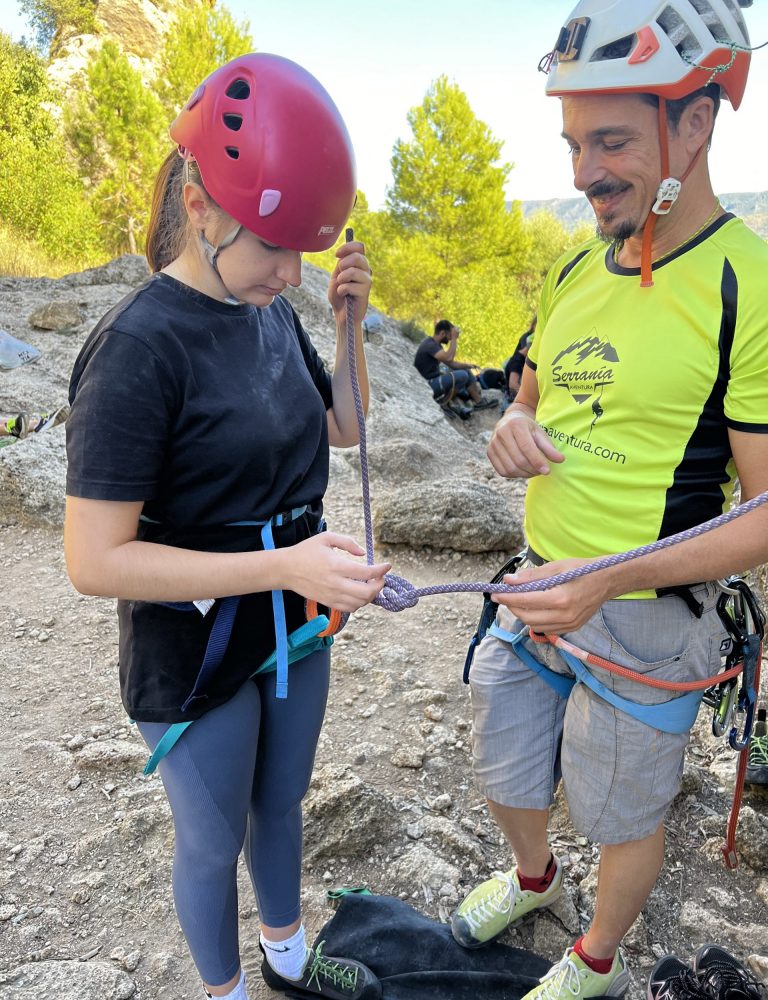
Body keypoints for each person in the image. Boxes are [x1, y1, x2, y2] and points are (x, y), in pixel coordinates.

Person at [451, 4, 768, 1000]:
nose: (584, 171)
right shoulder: (573, 259)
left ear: (697, 123)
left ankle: (596, 958)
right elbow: (536, 400)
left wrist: (610, 578)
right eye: (575, 143)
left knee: (623, 812)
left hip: (648, 613)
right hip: (541, 583)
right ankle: (532, 877)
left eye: (613, 140)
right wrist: (512, 428)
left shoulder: (746, 285)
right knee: (504, 759)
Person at [64, 54, 390, 1000]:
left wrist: (346, 327)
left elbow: (344, 429)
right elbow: (94, 559)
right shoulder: (136, 351)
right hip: (194, 641)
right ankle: (226, 993)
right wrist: (289, 562)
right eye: (274, 247)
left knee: (282, 803)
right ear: (201, 208)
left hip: (289, 616)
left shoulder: (273, 311)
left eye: (304, 251)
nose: (291, 271)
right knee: (212, 840)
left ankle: (288, 962)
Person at [413, 319, 495, 415]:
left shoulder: (436, 345)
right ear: (443, 333)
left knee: (465, 371)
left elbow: (452, 363)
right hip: (426, 384)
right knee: (462, 376)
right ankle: (443, 403)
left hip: (433, 380)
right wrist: (455, 339)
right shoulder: (430, 345)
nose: (450, 339)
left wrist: (468, 366)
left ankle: (479, 402)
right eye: (449, 336)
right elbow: (449, 357)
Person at [503, 316, 537, 403]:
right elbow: (513, 386)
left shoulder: (519, 358)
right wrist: (531, 398)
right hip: (513, 401)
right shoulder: (517, 361)